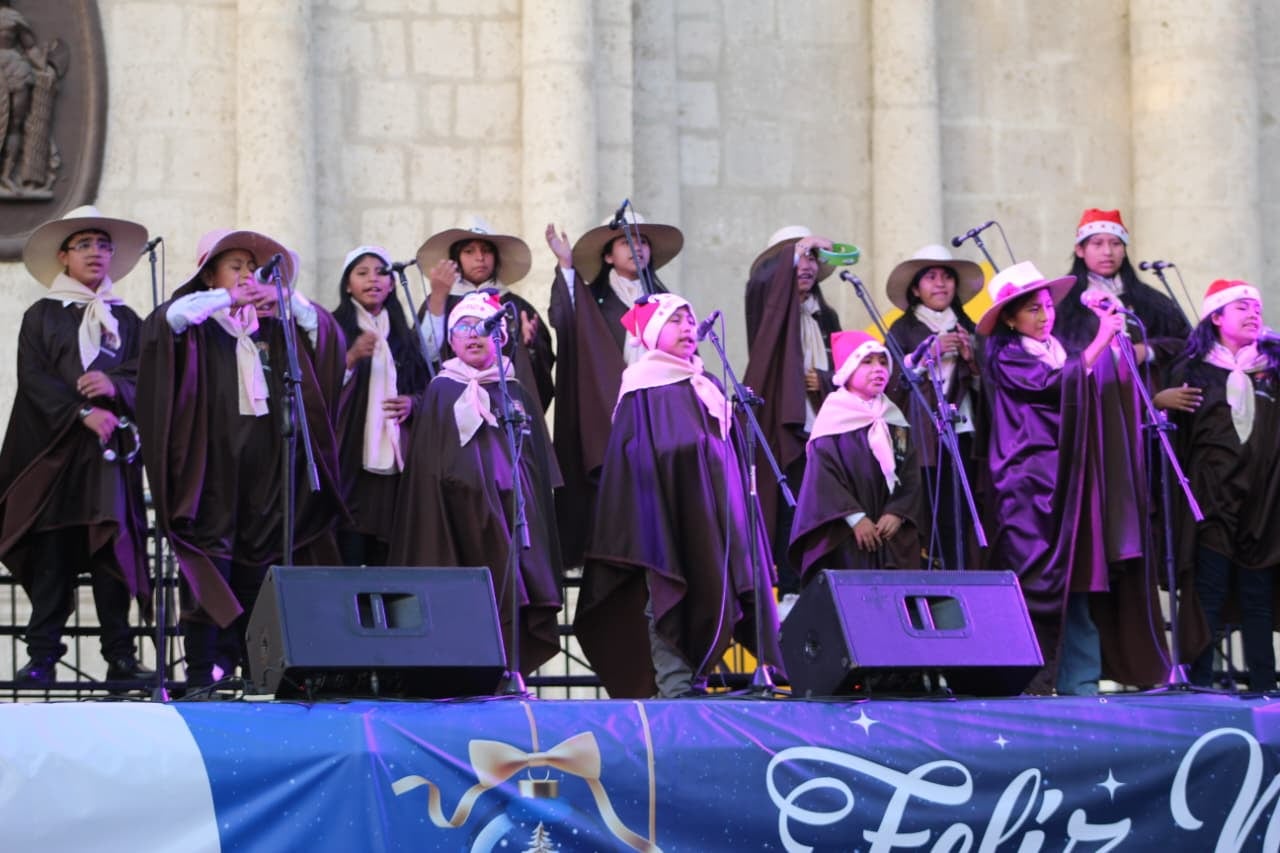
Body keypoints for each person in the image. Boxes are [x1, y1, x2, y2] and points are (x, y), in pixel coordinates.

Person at [137, 229, 347, 691]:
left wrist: (283, 296)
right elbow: (160, 329)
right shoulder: (194, 326)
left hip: (267, 469)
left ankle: (259, 671)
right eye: (236, 266)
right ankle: (198, 674)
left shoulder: (274, 328)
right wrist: (217, 301)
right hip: (210, 468)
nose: (248, 275)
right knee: (209, 562)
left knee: (262, 566)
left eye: (252, 268)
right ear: (209, 275)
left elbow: (326, 335)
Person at [573, 292, 783, 698]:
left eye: (691, 320)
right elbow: (634, 458)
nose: (688, 328)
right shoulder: (643, 387)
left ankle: (729, 678)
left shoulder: (705, 385)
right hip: (664, 517)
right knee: (671, 593)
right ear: (653, 333)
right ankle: (676, 688)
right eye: (676, 321)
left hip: (716, 514)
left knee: (719, 590)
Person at [980, 261, 1167, 695]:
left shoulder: (1060, 350)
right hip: (1028, 486)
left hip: (1067, 482)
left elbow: (1086, 377)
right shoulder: (1009, 357)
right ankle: (1029, 682)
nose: (1045, 316)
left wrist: (1113, 345)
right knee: (1037, 582)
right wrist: (1101, 338)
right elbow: (1055, 385)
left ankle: (1079, 683)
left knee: (1077, 580)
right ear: (1010, 318)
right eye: (1032, 309)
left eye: (1047, 306)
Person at [0, 206, 152, 684]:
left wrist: (115, 388)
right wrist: (81, 411)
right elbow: (34, 380)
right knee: (52, 556)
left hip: (107, 461)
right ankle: (43, 656)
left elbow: (147, 377)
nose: (96, 252)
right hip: (56, 457)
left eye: (103, 244)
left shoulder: (128, 320)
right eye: (84, 244)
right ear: (64, 257)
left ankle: (120, 659)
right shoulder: (42, 316)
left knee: (112, 555)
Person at [389, 290, 564, 675]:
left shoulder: (514, 389)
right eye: (464, 327)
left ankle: (510, 670)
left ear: (500, 336)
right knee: (467, 595)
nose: (474, 334)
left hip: (510, 514)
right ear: (451, 340)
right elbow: (429, 463)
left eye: (483, 327)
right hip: (458, 515)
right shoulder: (442, 389)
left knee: (513, 588)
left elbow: (531, 460)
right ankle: (469, 672)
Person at [544, 211, 683, 567]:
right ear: (608, 256)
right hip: (610, 415)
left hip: (659, 412)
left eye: (642, 241)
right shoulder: (593, 300)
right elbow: (566, 321)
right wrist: (566, 266)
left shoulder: (665, 301)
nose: (637, 247)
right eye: (627, 241)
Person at [1170, 280, 1280, 691]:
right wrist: (1160, 400)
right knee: (1208, 592)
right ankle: (1200, 683)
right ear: (1215, 318)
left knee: (1257, 593)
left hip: (1264, 496)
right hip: (1211, 495)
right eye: (1241, 307)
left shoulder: (1273, 366)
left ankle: (1264, 684)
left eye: (1257, 307)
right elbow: (1178, 438)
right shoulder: (1193, 370)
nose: (1254, 313)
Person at [743, 226, 842, 595]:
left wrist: (825, 380)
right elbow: (761, 289)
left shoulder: (824, 317)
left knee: (823, 513)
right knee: (789, 511)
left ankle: (822, 589)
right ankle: (791, 590)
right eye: (799, 257)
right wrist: (800, 248)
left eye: (813, 258)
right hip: (785, 429)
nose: (807, 265)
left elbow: (847, 370)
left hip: (824, 429)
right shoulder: (766, 306)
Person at [789, 331, 923, 578]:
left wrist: (897, 512)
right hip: (847, 535)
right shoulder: (833, 419)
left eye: (883, 362)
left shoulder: (893, 419)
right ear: (848, 369)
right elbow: (824, 479)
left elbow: (909, 474)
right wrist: (855, 518)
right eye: (867, 361)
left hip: (889, 532)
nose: (878, 369)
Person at [883, 245, 985, 570]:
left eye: (946, 277)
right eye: (931, 277)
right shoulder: (902, 330)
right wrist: (925, 357)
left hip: (963, 430)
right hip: (919, 434)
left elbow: (989, 384)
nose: (940, 284)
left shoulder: (970, 327)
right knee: (929, 506)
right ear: (916, 288)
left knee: (963, 511)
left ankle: (964, 572)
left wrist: (973, 360)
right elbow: (889, 379)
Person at [333, 245, 430, 567]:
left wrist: (411, 403)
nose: (372, 279)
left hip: (395, 460)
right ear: (348, 285)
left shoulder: (403, 332)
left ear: (391, 285)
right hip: (350, 458)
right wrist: (349, 358)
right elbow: (314, 388)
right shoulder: (333, 329)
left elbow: (425, 386)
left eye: (380, 273)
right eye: (362, 273)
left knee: (388, 553)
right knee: (349, 546)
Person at [417, 218, 554, 410]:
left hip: (504, 408)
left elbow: (540, 371)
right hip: (452, 407)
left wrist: (530, 347)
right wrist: (438, 298)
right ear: (456, 259)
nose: (480, 257)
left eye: (486, 250)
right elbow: (424, 355)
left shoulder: (515, 306)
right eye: (469, 251)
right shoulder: (440, 300)